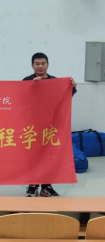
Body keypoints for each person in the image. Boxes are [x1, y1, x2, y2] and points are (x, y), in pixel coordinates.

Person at [23, 52, 77, 197]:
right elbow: (21, 99)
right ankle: (32, 185)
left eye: (43, 63)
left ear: (48, 64)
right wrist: (32, 86)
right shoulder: (27, 81)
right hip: (33, 126)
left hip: (51, 125)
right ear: (32, 65)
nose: (40, 66)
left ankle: (47, 186)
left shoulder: (55, 81)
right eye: (37, 64)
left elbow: (64, 97)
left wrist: (71, 87)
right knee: (33, 156)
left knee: (49, 155)